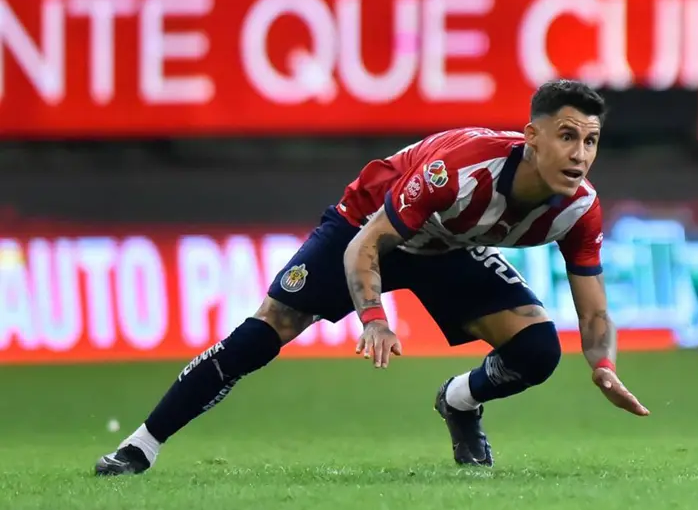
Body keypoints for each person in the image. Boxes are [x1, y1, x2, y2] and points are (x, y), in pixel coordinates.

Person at [94, 79, 649, 476]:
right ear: (531, 137)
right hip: (366, 227)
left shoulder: (580, 208)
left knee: (537, 350)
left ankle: (458, 400)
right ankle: (141, 445)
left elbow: (594, 310)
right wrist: (375, 318)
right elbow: (367, 245)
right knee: (266, 332)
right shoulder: (458, 171)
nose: (580, 154)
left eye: (591, 141)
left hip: (446, 247)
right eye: (567, 136)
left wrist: (603, 366)